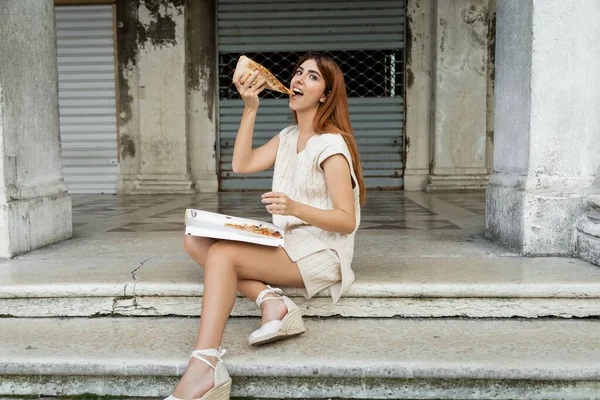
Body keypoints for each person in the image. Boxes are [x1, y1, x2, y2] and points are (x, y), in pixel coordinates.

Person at [166, 53, 366, 400]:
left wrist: (294, 208)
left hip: (322, 250)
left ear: (325, 94)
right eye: (298, 72)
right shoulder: (288, 136)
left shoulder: (331, 146)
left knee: (224, 255)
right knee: (196, 240)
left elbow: (346, 221)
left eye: (312, 77)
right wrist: (250, 107)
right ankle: (271, 300)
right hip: (288, 240)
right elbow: (242, 163)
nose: (299, 80)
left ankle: (205, 366)